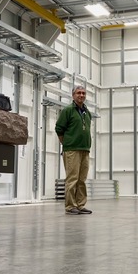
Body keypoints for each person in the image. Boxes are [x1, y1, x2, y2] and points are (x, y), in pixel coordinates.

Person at [55, 85, 93, 215]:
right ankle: (70, 206)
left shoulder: (87, 112)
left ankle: (80, 205)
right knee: (72, 179)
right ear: (73, 95)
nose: (81, 95)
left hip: (85, 150)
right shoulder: (68, 110)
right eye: (78, 93)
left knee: (82, 179)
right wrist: (66, 143)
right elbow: (59, 128)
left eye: (83, 93)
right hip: (72, 150)